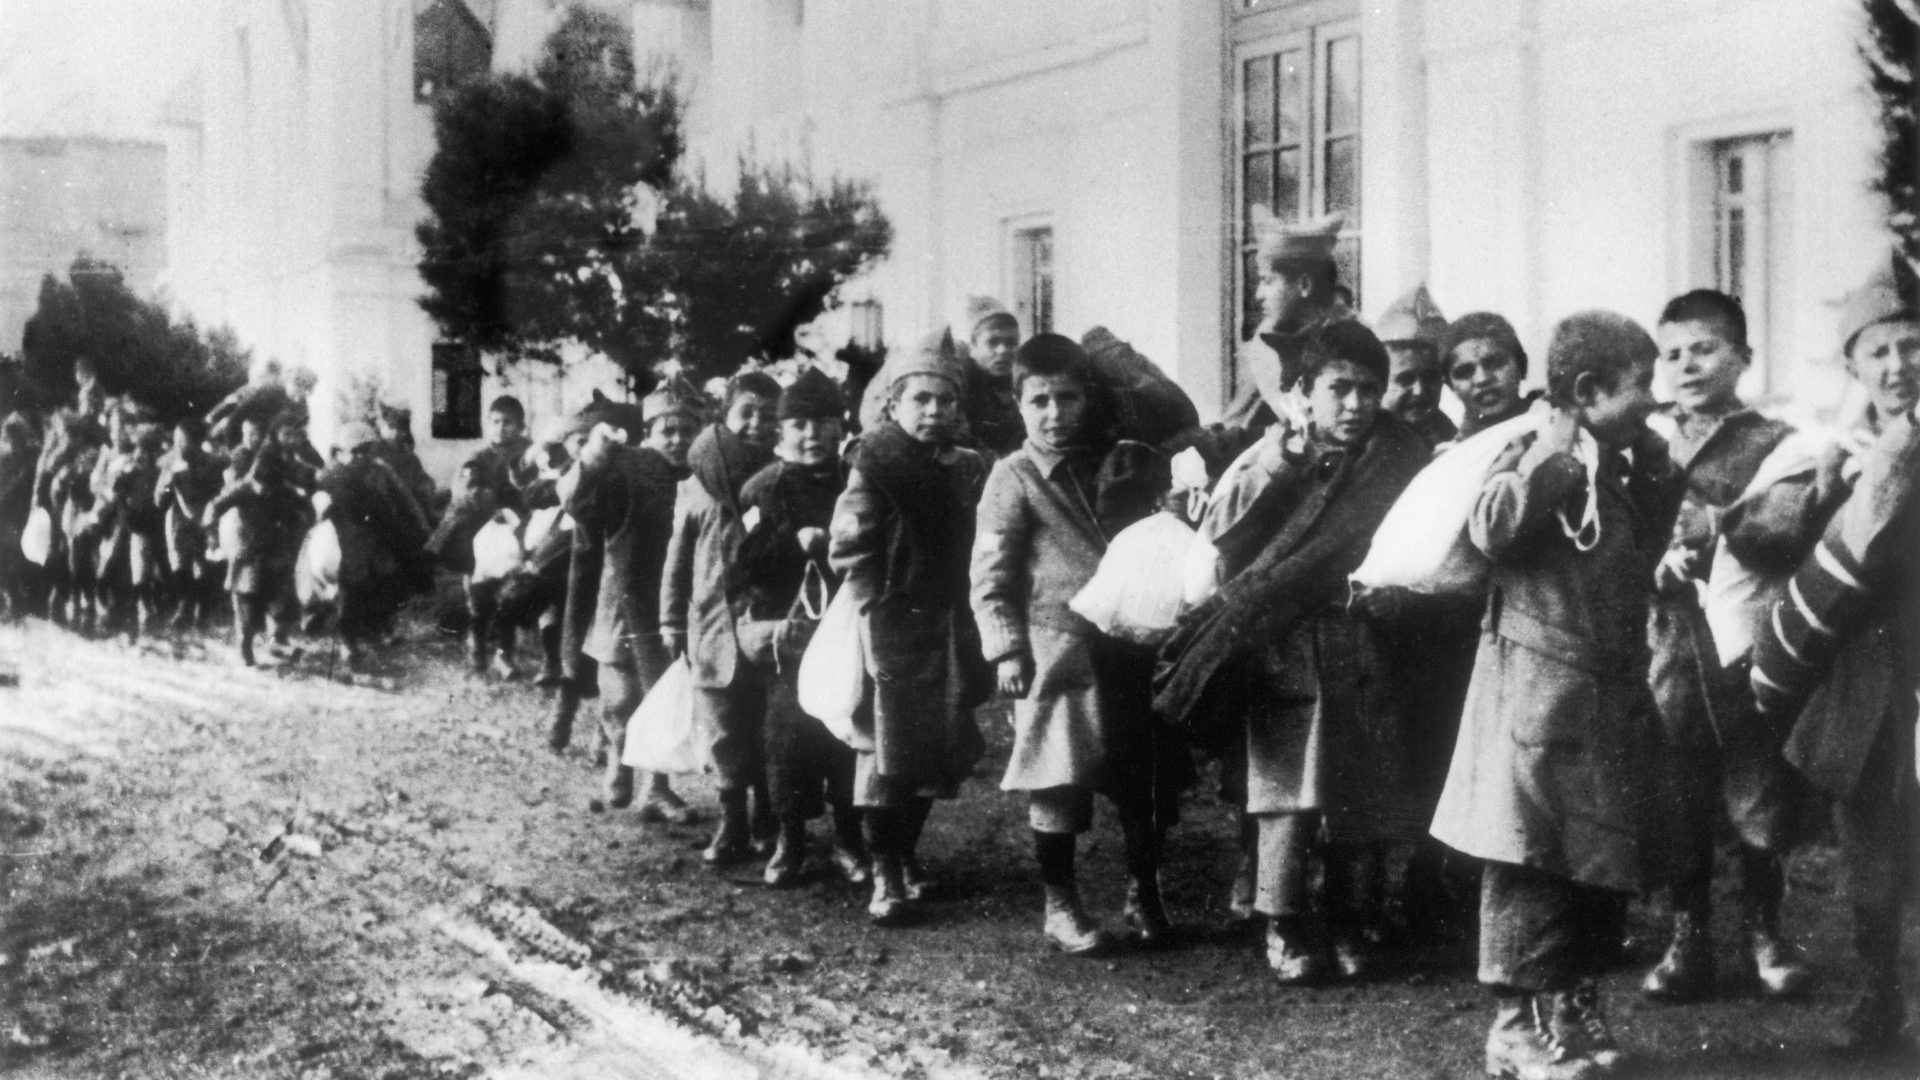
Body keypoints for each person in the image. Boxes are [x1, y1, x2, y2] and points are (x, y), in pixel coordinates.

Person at [1431, 311, 1683, 1080]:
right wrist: (1557, 455)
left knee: (1597, 862)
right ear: (1587, 389)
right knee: (1530, 863)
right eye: (1640, 387)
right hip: (1535, 698)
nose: (1653, 398)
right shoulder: (1537, 447)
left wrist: (1655, 469)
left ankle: (1570, 1008)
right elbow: (1493, 527)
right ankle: (1513, 1028)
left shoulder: (1619, 460)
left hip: (1603, 697)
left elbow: (1635, 558)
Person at [1155, 321, 1431, 981]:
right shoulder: (1269, 457)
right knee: (1288, 788)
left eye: (1370, 389)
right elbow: (1221, 546)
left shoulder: (1400, 457)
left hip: (1362, 640)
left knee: (1360, 785)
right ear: (1303, 392)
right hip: (1283, 643)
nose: (1357, 404)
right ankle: (1283, 923)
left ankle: (1349, 917)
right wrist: (1282, 464)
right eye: (1339, 388)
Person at [971, 334, 1191, 955]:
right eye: (1039, 400)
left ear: (1087, 398)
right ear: (1018, 404)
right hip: (1055, 645)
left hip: (1130, 640)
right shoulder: (1012, 478)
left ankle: (1143, 890)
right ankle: (1060, 903)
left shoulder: (1120, 460)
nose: (1054, 413)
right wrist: (1007, 648)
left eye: (1067, 398)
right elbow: (991, 573)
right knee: (1057, 777)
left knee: (1144, 780)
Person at [1751, 259, 1920, 1053]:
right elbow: (1764, 538)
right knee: (1870, 850)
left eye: (1913, 346)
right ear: (1853, 366)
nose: (1898, 366)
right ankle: (1879, 998)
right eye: (1879, 352)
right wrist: (1823, 492)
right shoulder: (1836, 453)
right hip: (1868, 682)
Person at [1637, 290, 1812, 1003]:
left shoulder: (1774, 442)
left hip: (1746, 645)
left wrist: (1718, 528)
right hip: (1666, 642)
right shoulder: (1641, 439)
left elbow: (1785, 528)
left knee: (1759, 789)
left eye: (1704, 349)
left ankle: (1766, 930)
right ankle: (1689, 936)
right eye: (1672, 354)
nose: (1687, 365)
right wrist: (1654, 561)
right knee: (1678, 792)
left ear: (1743, 355)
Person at [829, 329, 991, 925]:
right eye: (920, 400)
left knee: (936, 750)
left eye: (945, 401)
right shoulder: (877, 460)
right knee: (884, 752)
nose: (934, 411)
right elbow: (849, 549)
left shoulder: (969, 467)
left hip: (950, 625)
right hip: (892, 624)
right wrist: (876, 612)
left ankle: (906, 852)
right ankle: (885, 869)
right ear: (894, 405)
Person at [735, 367, 868, 887]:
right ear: (780, 431)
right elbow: (744, 568)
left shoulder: (855, 481)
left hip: (848, 628)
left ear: (841, 426)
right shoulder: (762, 490)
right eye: (799, 424)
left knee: (846, 731)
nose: (812, 435)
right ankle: (790, 840)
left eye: (824, 422)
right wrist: (793, 543)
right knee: (788, 739)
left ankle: (848, 840)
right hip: (789, 635)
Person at [662, 371, 780, 864]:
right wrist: (670, 619)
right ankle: (731, 819)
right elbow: (678, 557)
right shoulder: (696, 484)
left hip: (766, 624)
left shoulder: (781, 476)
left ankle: (768, 819)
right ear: (725, 416)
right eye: (746, 412)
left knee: (768, 728)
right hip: (711, 627)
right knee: (724, 731)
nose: (756, 423)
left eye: (767, 415)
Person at [565, 397, 688, 819]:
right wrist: (595, 457)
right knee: (620, 695)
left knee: (663, 695)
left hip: (674, 601)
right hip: (623, 594)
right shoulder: (627, 468)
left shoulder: (704, 473)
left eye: (685, 430)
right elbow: (579, 504)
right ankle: (619, 757)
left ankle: (656, 787)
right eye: (665, 430)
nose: (676, 439)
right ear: (648, 434)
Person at [1218, 211, 1356, 435]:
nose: (1259, 294)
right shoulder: (1268, 339)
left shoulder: (1356, 340)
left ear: (1304, 285)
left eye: (1267, 281)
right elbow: (1238, 416)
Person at [428, 395, 536, 678]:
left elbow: (537, 486)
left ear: (521, 426)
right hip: (478, 535)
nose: (501, 428)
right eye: (495, 421)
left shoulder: (529, 453)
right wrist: (492, 504)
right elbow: (465, 493)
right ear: (487, 424)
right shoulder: (477, 457)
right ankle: (477, 649)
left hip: (516, 532)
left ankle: (506, 653)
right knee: (479, 597)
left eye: (508, 422)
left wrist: (520, 512)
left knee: (510, 594)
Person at [317, 421, 432, 669]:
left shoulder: (379, 470)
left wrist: (421, 526)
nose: (361, 457)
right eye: (355, 451)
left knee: (388, 580)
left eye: (367, 450)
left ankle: (381, 627)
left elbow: (405, 497)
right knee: (350, 591)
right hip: (348, 542)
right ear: (340, 452)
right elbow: (320, 505)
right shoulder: (332, 475)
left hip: (378, 537)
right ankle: (348, 642)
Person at [208, 412, 314, 666]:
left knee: (282, 599)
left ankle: (278, 640)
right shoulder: (244, 487)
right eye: (260, 484)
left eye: (269, 485)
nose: (263, 490)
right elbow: (214, 506)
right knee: (247, 599)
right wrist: (212, 538)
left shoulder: (284, 490)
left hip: (276, 547)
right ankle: (245, 645)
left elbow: (307, 510)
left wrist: (300, 521)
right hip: (248, 548)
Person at [155, 418, 227, 629]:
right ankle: (184, 606)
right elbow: (158, 499)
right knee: (180, 563)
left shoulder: (213, 463)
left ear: (197, 442)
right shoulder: (170, 463)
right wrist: (168, 485)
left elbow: (220, 493)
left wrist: (211, 521)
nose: (178, 446)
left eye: (183, 441)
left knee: (205, 566)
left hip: (206, 518)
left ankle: (202, 611)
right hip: (179, 520)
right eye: (176, 440)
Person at [1376, 284, 1457, 445]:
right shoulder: (1360, 447)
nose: (1419, 391)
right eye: (1405, 379)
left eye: (1430, 378)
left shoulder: (1454, 442)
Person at [1442, 313, 1534, 440]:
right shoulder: (1455, 456)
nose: (1482, 379)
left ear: (1521, 365)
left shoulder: (1559, 423)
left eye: (1495, 364)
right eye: (1464, 372)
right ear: (1451, 386)